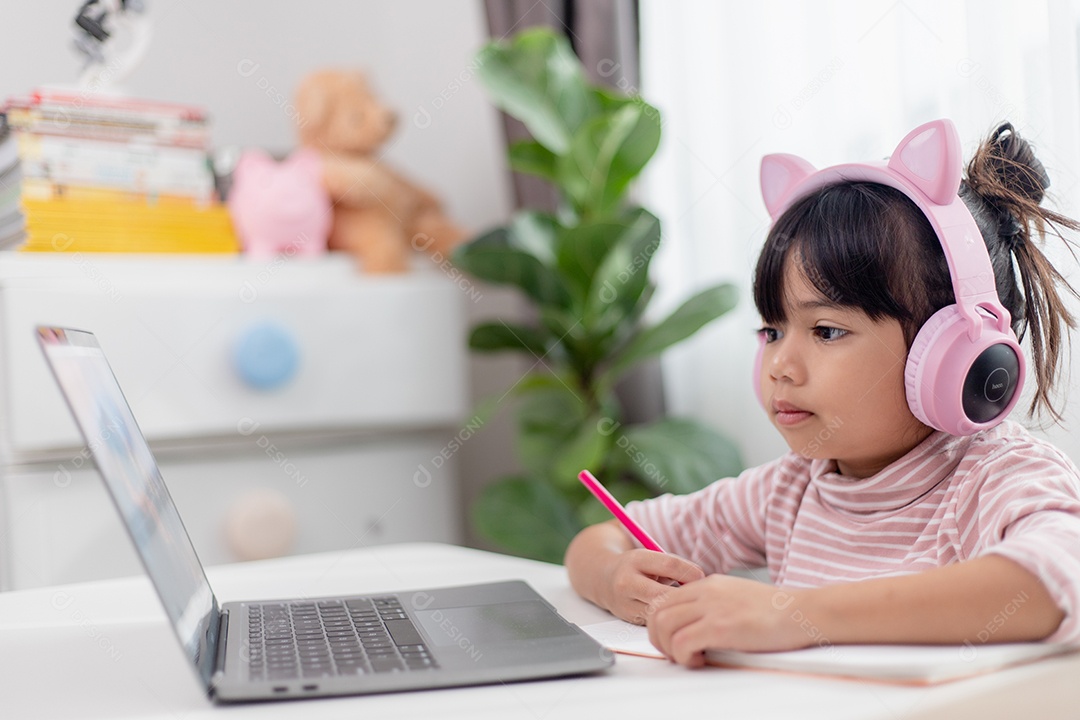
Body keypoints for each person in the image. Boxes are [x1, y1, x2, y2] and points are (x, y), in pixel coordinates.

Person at [564, 119, 1080, 668]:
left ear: (951, 355)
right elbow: (599, 540)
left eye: (826, 331)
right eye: (772, 331)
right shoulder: (786, 491)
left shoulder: (994, 478)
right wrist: (615, 578)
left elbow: (1054, 580)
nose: (780, 366)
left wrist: (792, 615)